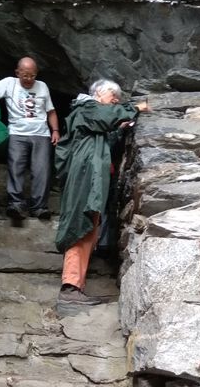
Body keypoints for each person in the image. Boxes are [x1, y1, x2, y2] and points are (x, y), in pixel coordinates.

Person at [54, 79, 150, 305]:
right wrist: (135, 107)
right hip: (84, 176)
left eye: (118, 96)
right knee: (81, 223)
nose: (116, 99)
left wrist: (119, 129)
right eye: (112, 94)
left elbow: (104, 135)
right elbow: (104, 117)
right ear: (97, 93)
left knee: (88, 225)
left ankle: (75, 286)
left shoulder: (92, 118)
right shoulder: (86, 108)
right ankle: (70, 288)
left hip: (90, 176)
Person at [0, 57, 60, 220]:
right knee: (16, 167)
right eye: (25, 75)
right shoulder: (9, 83)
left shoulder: (42, 86)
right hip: (17, 133)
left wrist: (55, 130)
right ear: (17, 72)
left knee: (42, 170)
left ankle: (39, 207)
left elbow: (51, 111)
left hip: (41, 134)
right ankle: (16, 204)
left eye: (32, 76)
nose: (29, 79)